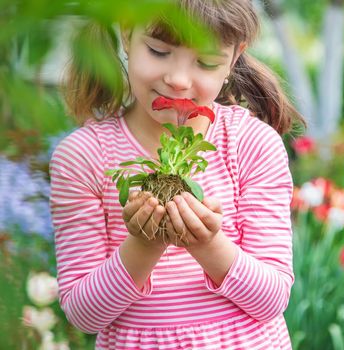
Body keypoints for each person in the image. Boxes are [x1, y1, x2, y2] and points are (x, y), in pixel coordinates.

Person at [49, 1, 304, 349]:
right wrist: (143, 244)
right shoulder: (84, 157)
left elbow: (271, 299)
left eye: (206, 62)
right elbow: (84, 315)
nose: (178, 80)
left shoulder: (251, 144)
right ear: (126, 34)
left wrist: (206, 243)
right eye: (158, 51)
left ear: (233, 58)